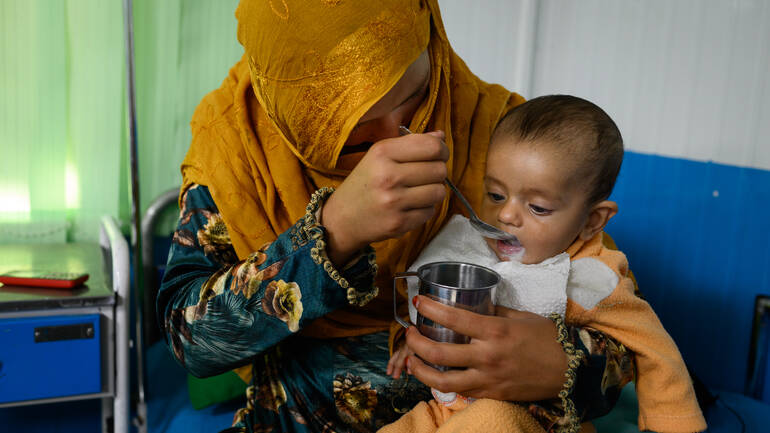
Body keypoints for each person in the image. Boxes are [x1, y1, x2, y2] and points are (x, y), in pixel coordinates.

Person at [158, 1, 637, 432]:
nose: (400, 147)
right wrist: (334, 230)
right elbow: (190, 342)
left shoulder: (504, 134)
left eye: (418, 101)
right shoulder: (237, 152)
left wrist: (561, 363)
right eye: (356, 139)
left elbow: (621, 325)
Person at [382, 95, 706, 433]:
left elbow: (653, 344)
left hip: (530, 422)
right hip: (444, 409)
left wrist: (671, 420)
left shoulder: (592, 276)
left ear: (592, 220)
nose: (506, 215)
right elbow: (423, 299)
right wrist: (410, 340)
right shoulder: (468, 246)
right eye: (495, 195)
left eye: (537, 207)